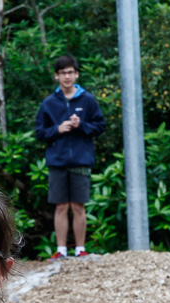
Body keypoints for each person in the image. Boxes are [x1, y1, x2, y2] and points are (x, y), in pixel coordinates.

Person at [35, 54, 106, 260]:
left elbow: (100, 126)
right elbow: (40, 133)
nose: (67, 76)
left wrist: (80, 125)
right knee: (61, 206)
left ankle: (80, 249)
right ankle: (61, 250)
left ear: (76, 74)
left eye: (70, 72)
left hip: (81, 160)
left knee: (78, 206)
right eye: (63, 73)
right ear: (56, 76)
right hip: (57, 162)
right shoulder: (49, 103)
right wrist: (58, 129)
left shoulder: (88, 100)